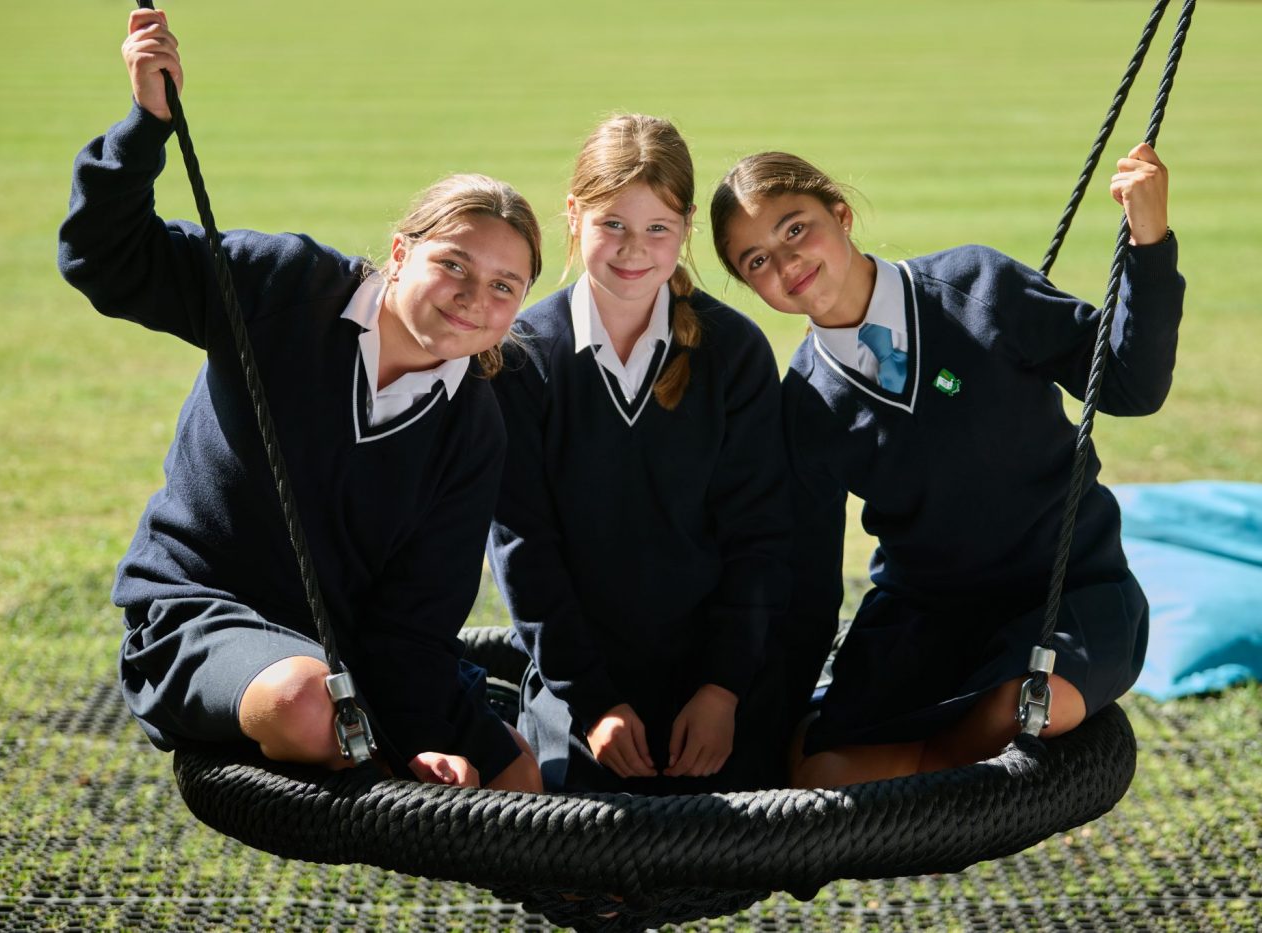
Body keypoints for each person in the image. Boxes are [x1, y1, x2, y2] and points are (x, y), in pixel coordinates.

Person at [57, 8, 543, 792]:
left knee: (518, 777)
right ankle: (360, 751)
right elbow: (105, 259)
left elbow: (411, 624)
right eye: (453, 264)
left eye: (502, 286)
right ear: (400, 252)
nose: (471, 296)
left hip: (354, 654)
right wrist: (147, 125)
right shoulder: (283, 285)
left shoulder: (474, 426)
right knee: (304, 702)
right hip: (200, 616)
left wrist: (423, 739)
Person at [710, 143, 1183, 787]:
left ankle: (928, 771)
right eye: (757, 260)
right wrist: (761, 721)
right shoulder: (805, 404)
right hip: (924, 621)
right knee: (813, 769)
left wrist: (1148, 239)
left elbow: (1131, 385)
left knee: (1021, 709)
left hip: (1068, 593)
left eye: (795, 229)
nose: (786, 262)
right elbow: (810, 586)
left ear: (841, 214)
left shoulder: (979, 285)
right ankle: (925, 769)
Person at [487, 114, 793, 793]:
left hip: (716, 685)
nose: (634, 249)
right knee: (577, 843)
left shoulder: (734, 351)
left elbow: (761, 534)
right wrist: (592, 699)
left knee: (728, 840)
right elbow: (522, 550)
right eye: (613, 225)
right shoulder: (522, 358)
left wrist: (723, 688)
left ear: (686, 227)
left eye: (658, 227)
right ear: (574, 215)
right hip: (579, 685)